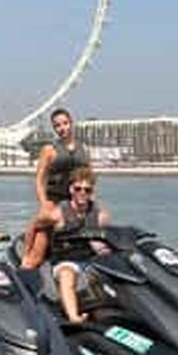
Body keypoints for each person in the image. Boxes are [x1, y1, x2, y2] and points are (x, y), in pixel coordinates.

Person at [23, 165, 111, 324]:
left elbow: (104, 240)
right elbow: (35, 226)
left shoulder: (101, 216)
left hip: (91, 261)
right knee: (66, 275)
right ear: (71, 189)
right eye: (78, 189)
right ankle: (74, 317)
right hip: (66, 260)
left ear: (92, 192)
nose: (82, 193)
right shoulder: (57, 214)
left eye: (87, 190)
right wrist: (27, 254)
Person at [23, 107, 91, 269]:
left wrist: (90, 200)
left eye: (65, 123)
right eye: (57, 126)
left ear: (71, 123)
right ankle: (26, 258)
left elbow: (88, 178)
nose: (62, 128)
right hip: (53, 200)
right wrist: (44, 202)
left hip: (75, 202)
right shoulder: (49, 149)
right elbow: (40, 179)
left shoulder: (84, 149)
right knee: (38, 247)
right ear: (54, 128)